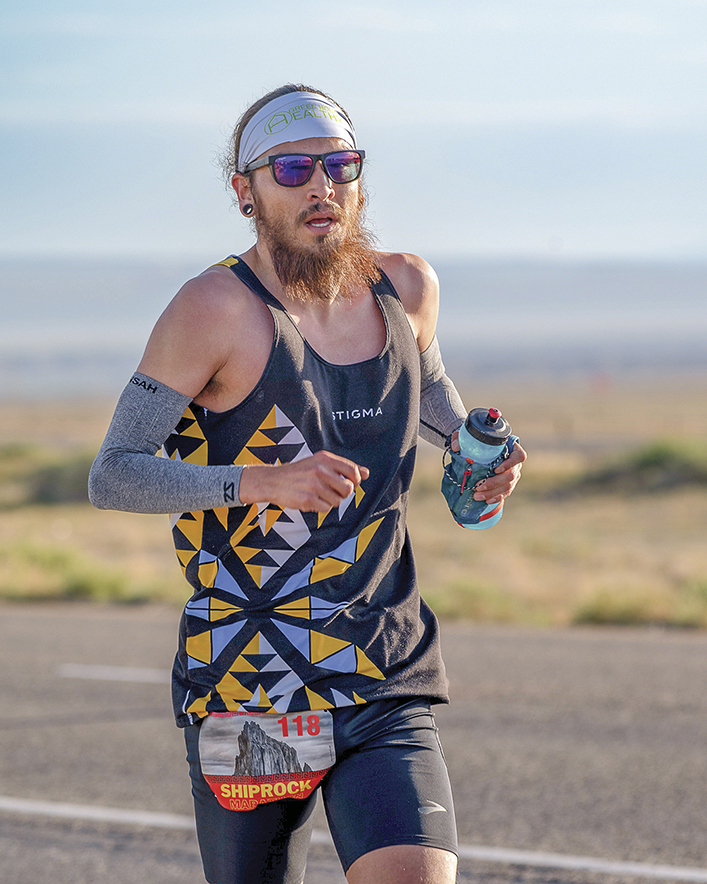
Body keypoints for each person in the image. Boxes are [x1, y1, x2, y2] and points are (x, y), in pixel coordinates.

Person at [89, 84, 526, 884]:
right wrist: (260, 481)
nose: (320, 185)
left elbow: (432, 405)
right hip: (255, 677)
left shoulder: (407, 290)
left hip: (384, 664)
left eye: (339, 165)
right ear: (245, 192)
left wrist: (480, 465)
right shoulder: (212, 309)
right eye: (290, 169)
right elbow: (114, 472)